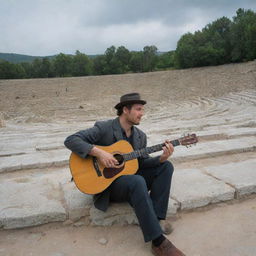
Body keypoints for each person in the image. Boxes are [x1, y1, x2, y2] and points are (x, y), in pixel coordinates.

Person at [64, 92, 185, 256]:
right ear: (125, 110)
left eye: (142, 110)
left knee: (166, 167)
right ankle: (158, 242)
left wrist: (161, 159)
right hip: (107, 185)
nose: (142, 113)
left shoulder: (140, 136)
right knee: (137, 181)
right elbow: (71, 140)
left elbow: (141, 163)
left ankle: (156, 219)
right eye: (138, 109)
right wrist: (99, 153)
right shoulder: (104, 128)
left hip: (129, 180)